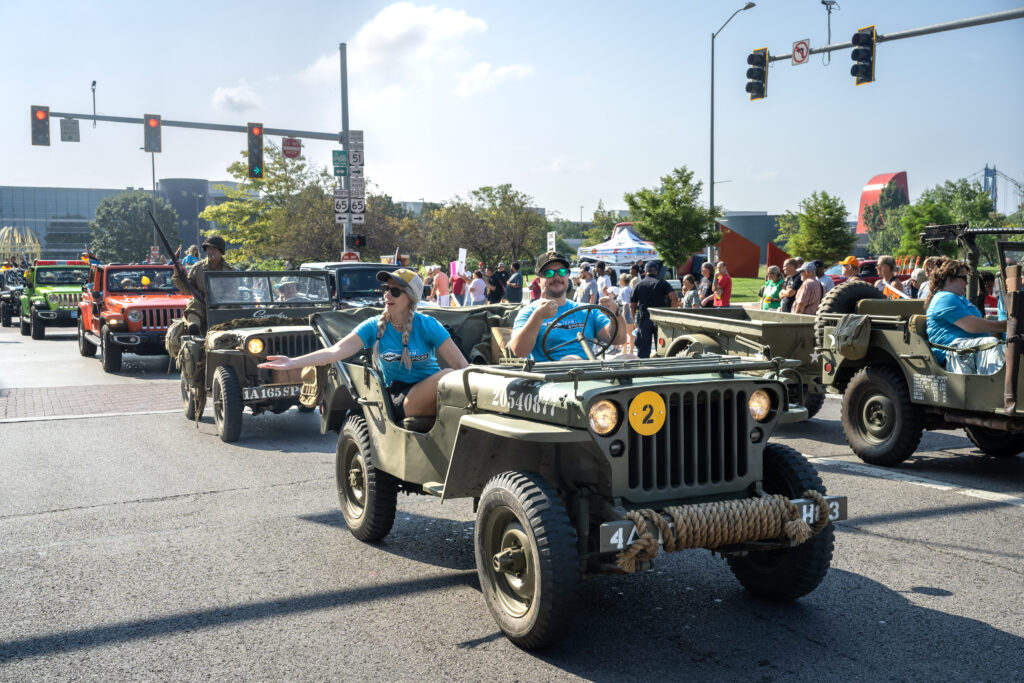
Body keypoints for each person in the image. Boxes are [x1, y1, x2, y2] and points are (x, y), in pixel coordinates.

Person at [259, 268, 468, 420]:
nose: (387, 295)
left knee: (454, 376)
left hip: (433, 388)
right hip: (401, 396)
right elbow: (336, 351)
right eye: (386, 289)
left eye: (395, 291)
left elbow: (462, 365)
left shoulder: (427, 325)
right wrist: (292, 363)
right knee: (447, 375)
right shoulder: (373, 326)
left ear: (411, 297)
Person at [508, 251, 629, 361]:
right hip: (550, 379)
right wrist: (538, 317)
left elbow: (619, 339)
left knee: (630, 359)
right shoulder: (529, 312)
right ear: (539, 280)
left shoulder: (586, 310)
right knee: (573, 360)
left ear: (567, 276)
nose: (556, 277)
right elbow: (519, 351)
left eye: (561, 272)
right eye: (549, 273)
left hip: (589, 374)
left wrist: (616, 313)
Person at [925, 259, 1007, 374]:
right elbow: (972, 326)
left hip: (967, 350)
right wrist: (1003, 326)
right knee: (991, 344)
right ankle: (994, 387)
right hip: (951, 351)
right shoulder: (944, 298)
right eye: (963, 278)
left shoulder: (958, 298)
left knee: (1007, 346)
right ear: (949, 278)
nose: (967, 283)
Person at [172, 235, 234, 332]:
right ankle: (194, 327)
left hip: (224, 304)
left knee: (235, 306)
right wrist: (177, 276)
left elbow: (232, 294)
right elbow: (188, 290)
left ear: (221, 251)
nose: (210, 252)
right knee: (193, 304)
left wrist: (220, 309)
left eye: (213, 249)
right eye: (208, 249)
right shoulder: (198, 268)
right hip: (202, 304)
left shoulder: (230, 270)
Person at [631, 261, 681, 358]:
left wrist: (634, 321)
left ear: (645, 272)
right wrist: (669, 313)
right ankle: (661, 369)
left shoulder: (639, 285)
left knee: (643, 351)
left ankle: (643, 370)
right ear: (656, 271)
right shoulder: (662, 283)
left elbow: (632, 305)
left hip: (644, 319)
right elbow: (674, 298)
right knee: (662, 348)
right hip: (660, 319)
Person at [616, 272, 636, 352]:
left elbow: (625, 304)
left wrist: (623, 316)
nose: (619, 281)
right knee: (630, 334)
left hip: (625, 312)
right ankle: (629, 350)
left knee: (626, 333)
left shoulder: (624, 290)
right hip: (629, 312)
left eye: (619, 279)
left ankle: (625, 350)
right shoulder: (629, 289)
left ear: (622, 280)